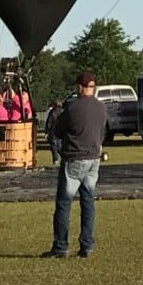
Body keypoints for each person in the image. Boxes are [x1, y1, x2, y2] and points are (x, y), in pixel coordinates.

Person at [43, 70, 107, 259]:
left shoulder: (72, 108)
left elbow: (57, 131)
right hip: (94, 158)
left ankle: (61, 246)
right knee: (88, 201)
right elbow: (102, 131)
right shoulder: (101, 107)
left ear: (80, 87)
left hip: (74, 159)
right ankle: (87, 245)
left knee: (64, 203)